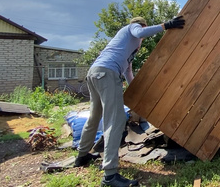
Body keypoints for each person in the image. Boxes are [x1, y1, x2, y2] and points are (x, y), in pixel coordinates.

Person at [74, 15, 185, 187]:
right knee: (116, 120)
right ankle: (110, 175)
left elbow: (128, 73)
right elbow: (139, 31)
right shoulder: (132, 29)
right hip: (108, 74)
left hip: (95, 73)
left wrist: (136, 90)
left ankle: (82, 156)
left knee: (95, 116)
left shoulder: (126, 48)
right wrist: (166, 25)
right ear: (140, 24)